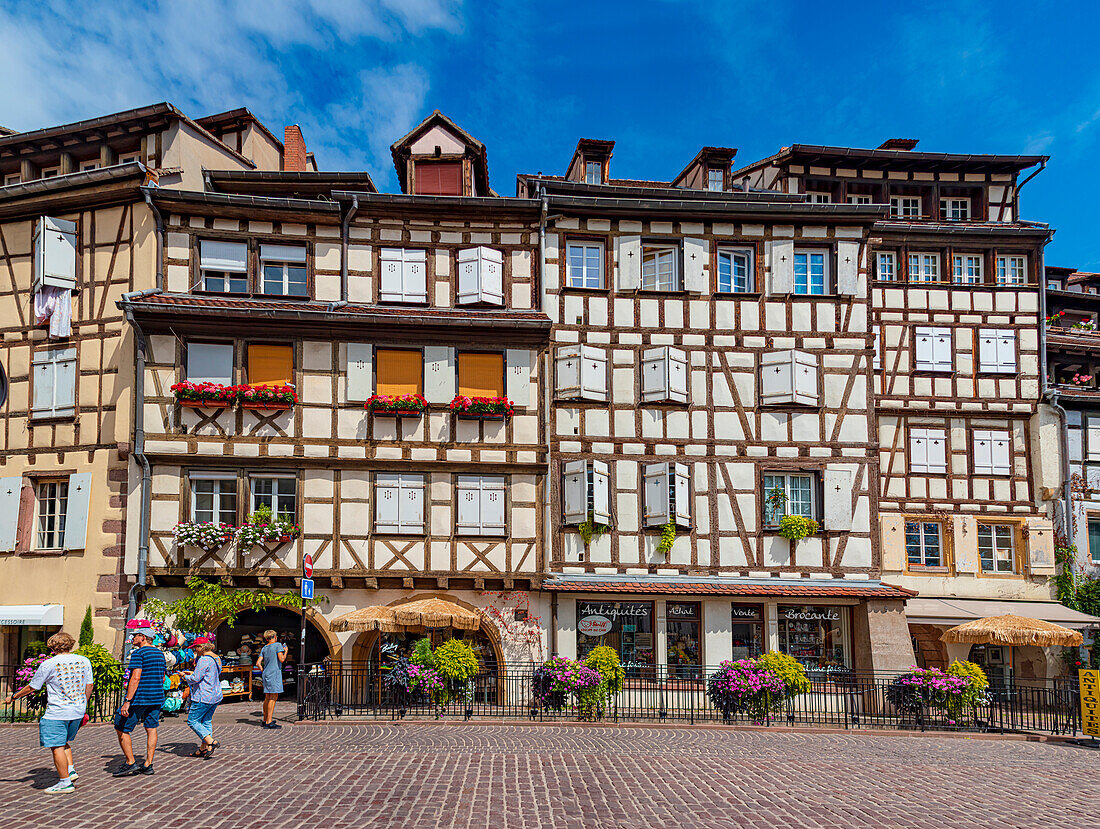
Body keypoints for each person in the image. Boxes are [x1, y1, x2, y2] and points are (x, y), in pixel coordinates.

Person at [2, 632, 93, 794]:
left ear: (52, 646)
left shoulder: (49, 664)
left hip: (57, 712)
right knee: (64, 741)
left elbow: (32, 687)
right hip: (78, 710)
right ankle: (70, 771)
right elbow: (89, 685)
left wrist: (14, 696)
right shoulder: (84, 661)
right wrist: (83, 704)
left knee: (56, 745)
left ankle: (65, 782)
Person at [113, 624, 167, 776]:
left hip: (140, 697)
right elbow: (162, 678)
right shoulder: (159, 654)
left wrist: (127, 700)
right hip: (156, 697)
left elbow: (135, 677)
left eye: (135, 636)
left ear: (143, 637)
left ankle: (130, 762)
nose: (133, 638)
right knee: (151, 728)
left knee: (121, 726)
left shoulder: (139, 653)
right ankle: (148, 763)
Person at [183, 637, 223, 757]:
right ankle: (204, 748)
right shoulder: (216, 657)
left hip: (203, 695)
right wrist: (193, 673)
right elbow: (210, 674)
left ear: (201, 647)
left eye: (196, 648)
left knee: (192, 721)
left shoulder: (204, 659)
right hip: (215, 694)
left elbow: (195, 679)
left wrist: (185, 677)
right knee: (206, 721)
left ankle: (211, 742)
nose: (195, 651)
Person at [256, 629, 286, 729]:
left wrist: (263, 670)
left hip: (266, 673)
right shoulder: (278, 645)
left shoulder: (264, 648)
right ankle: (269, 722)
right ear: (274, 637)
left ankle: (265, 719)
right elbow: (281, 659)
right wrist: (285, 651)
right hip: (274, 673)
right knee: (273, 697)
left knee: (267, 697)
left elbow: (258, 663)